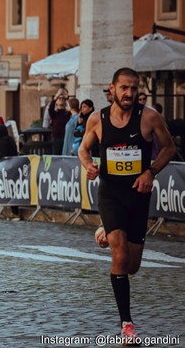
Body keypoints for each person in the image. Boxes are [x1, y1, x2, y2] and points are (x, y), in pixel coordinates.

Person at [78, 67, 176, 343]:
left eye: (134, 89)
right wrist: (89, 166)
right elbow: (83, 149)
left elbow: (169, 147)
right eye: (124, 88)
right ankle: (127, 325)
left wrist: (151, 172)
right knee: (119, 258)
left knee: (132, 265)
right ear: (112, 90)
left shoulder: (149, 117)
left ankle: (105, 231)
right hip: (110, 193)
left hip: (138, 194)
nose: (129, 94)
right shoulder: (98, 119)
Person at [48, 88, 70, 155]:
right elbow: (50, 107)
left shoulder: (67, 113)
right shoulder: (54, 113)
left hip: (66, 137)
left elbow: (73, 109)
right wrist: (56, 96)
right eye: (59, 98)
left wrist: (67, 98)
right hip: (56, 138)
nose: (61, 99)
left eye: (63, 98)